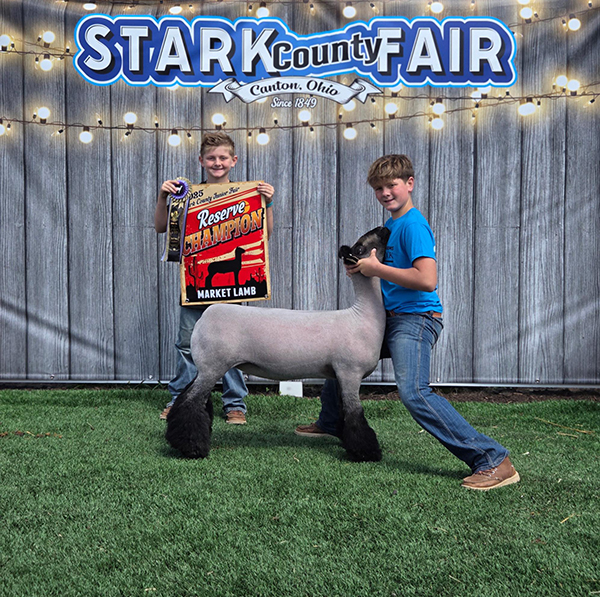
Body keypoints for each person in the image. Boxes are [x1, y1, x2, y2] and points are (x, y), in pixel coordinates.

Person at [295, 154, 519, 491]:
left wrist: (377, 269)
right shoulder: (394, 225)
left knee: (414, 393)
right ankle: (330, 422)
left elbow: (427, 280)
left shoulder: (413, 225)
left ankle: (493, 459)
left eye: (392, 185)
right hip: (390, 318)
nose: (385, 193)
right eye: (379, 188)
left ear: (409, 184)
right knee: (342, 354)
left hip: (416, 319)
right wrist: (361, 269)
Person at [155, 132, 275, 424]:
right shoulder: (187, 195)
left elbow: (264, 235)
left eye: (223, 157)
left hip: (232, 290)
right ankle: (181, 400)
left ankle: (235, 404)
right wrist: (162, 197)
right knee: (187, 343)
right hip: (195, 287)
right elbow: (160, 227)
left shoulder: (248, 194)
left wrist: (268, 204)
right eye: (211, 158)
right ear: (201, 160)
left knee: (232, 346)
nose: (217, 162)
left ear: (234, 160)